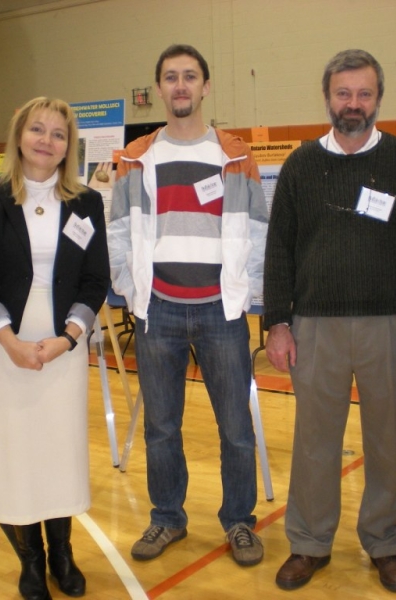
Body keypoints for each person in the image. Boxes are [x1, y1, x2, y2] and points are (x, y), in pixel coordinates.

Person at [263, 49, 396, 593]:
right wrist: (278, 322)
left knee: (387, 441)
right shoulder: (300, 165)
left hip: (392, 323)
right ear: (327, 96)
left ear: (379, 98)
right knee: (315, 442)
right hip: (316, 326)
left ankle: (385, 542)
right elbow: (279, 250)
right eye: (343, 93)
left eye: (363, 94)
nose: (352, 104)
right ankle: (309, 543)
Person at [107, 44, 269, 567]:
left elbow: (260, 233)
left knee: (236, 429)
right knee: (160, 427)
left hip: (221, 313)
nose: (181, 86)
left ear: (205, 86)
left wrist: (252, 296)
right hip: (160, 312)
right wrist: (133, 293)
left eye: (190, 77)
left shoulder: (236, 155)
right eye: (171, 78)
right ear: (159, 88)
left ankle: (239, 521)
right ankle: (167, 518)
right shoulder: (135, 157)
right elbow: (117, 234)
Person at [0, 97, 110, 600]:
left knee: (58, 448)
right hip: (3, 347)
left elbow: (96, 280)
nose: (47, 141)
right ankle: (32, 560)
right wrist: (10, 342)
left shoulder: (86, 202)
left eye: (59, 134)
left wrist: (68, 339)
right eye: (38, 129)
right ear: (19, 135)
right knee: (17, 451)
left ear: (70, 146)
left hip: (62, 347)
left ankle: (64, 554)